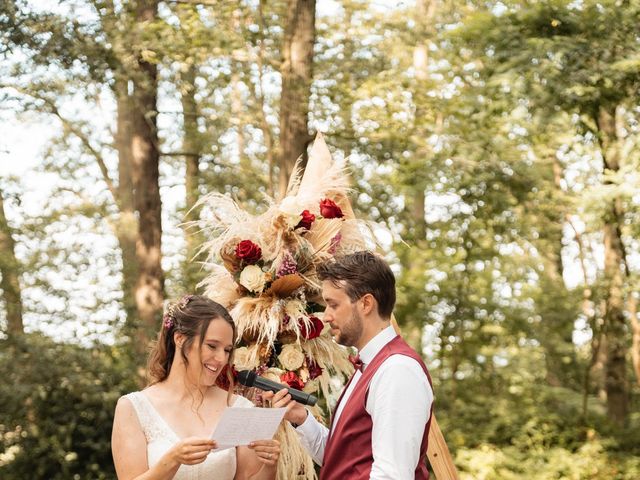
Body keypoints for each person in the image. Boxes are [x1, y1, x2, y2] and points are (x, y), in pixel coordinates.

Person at [266, 251, 434, 479]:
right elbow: (342, 461)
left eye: (333, 305)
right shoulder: (370, 366)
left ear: (365, 304)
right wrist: (301, 418)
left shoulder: (397, 370)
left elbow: (392, 475)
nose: (326, 316)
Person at [111, 294, 281, 480]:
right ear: (180, 339)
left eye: (226, 350)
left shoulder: (240, 408)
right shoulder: (133, 407)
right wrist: (172, 459)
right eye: (212, 346)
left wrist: (269, 468)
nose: (222, 359)